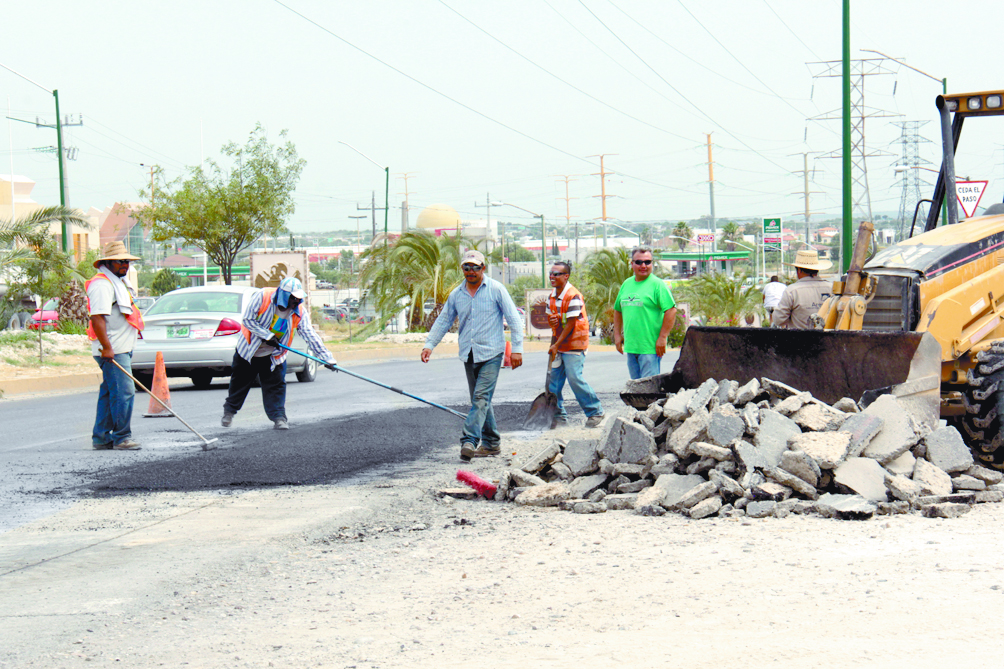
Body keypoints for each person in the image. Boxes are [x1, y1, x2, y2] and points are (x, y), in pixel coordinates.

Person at [421, 250, 524, 460]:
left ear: (483, 269)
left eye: (475, 268)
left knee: (480, 398)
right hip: (469, 354)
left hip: (492, 353)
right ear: (462, 269)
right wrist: (429, 345)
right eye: (467, 268)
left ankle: (469, 441)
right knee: (480, 401)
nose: (471, 272)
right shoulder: (457, 294)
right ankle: (492, 443)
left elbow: (514, 319)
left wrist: (517, 349)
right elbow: (443, 320)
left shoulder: (496, 289)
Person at [222, 277, 336, 429]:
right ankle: (229, 412)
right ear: (284, 295)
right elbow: (248, 320)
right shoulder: (262, 297)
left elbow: (310, 334)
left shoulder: (299, 312)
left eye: (299, 298)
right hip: (249, 351)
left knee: (276, 386)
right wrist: (267, 336)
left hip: (275, 355)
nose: (297, 302)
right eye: (294, 298)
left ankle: (279, 418)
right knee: (239, 383)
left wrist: (327, 358)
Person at [86, 241, 145, 451]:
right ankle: (122, 437)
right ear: (108, 262)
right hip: (112, 348)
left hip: (121, 347)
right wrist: (107, 347)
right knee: (125, 392)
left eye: (127, 261)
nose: (125, 265)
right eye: (120, 261)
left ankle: (101, 437)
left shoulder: (118, 282)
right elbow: (97, 318)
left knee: (111, 392)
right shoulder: (102, 284)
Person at [545, 261, 604, 428]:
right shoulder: (552, 296)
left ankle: (595, 411)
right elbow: (553, 319)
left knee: (574, 378)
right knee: (553, 384)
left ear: (566, 276)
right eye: (551, 273)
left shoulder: (573, 296)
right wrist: (552, 321)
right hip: (560, 344)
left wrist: (556, 345)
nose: (552, 276)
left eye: (556, 274)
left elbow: (571, 324)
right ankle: (559, 417)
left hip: (574, 344)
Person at [613, 246, 677, 380]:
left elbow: (671, 310)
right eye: (639, 262)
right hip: (631, 347)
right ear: (632, 264)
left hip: (650, 348)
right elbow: (618, 310)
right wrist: (617, 335)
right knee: (636, 387)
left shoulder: (657, 285)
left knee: (648, 389)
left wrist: (663, 337)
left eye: (647, 262)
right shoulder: (626, 284)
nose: (643, 265)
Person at [772, 249, 833, 330]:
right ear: (817, 270)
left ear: (799, 270)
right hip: (828, 340)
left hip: (799, 340)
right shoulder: (831, 288)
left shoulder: (792, 291)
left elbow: (778, 320)